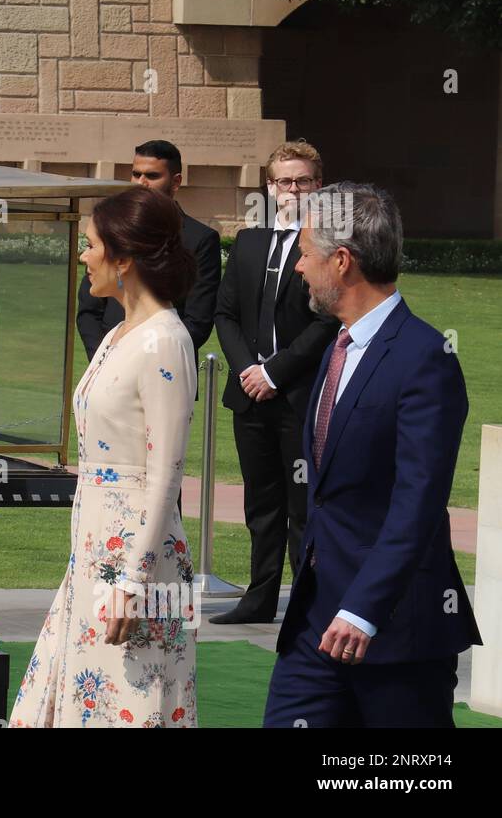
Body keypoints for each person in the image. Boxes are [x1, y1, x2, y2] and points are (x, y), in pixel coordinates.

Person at [263, 183, 480, 727]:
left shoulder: (425, 358)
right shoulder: (336, 347)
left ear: (342, 261)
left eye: (306, 255)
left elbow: (418, 504)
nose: (298, 269)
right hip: (315, 621)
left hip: (393, 628)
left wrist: (364, 609)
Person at [11, 186, 198, 728]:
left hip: (141, 564)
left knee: (134, 707)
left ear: (125, 257)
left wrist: (134, 586)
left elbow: (166, 473)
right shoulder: (119, 332)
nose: (83, 255)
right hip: (94, 554)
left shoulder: (165, 340)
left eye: (91, 244)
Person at [210, 140, 339, 625]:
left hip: (300, 395)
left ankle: (308, 603)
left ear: (318, 186)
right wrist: (250, 371)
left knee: (303, 504)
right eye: (284, 181)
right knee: (260, 503)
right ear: (270, 187)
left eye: (303, 180)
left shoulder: (330, 246)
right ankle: (260, 598)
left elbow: (327, 321)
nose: (293, 189)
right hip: (249, 397)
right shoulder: (248, 243)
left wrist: (274, 373)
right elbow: (226, 314)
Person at [77, 140, 221, 362]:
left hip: (165, 364)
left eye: (152, 176)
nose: (141, 183)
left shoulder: (200, 239)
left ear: (176, 182)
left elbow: (198, 321)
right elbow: (89, 308)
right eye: (136, 174)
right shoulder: (114, 228)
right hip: (106, 362)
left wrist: (142, 359)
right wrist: (105, 360)